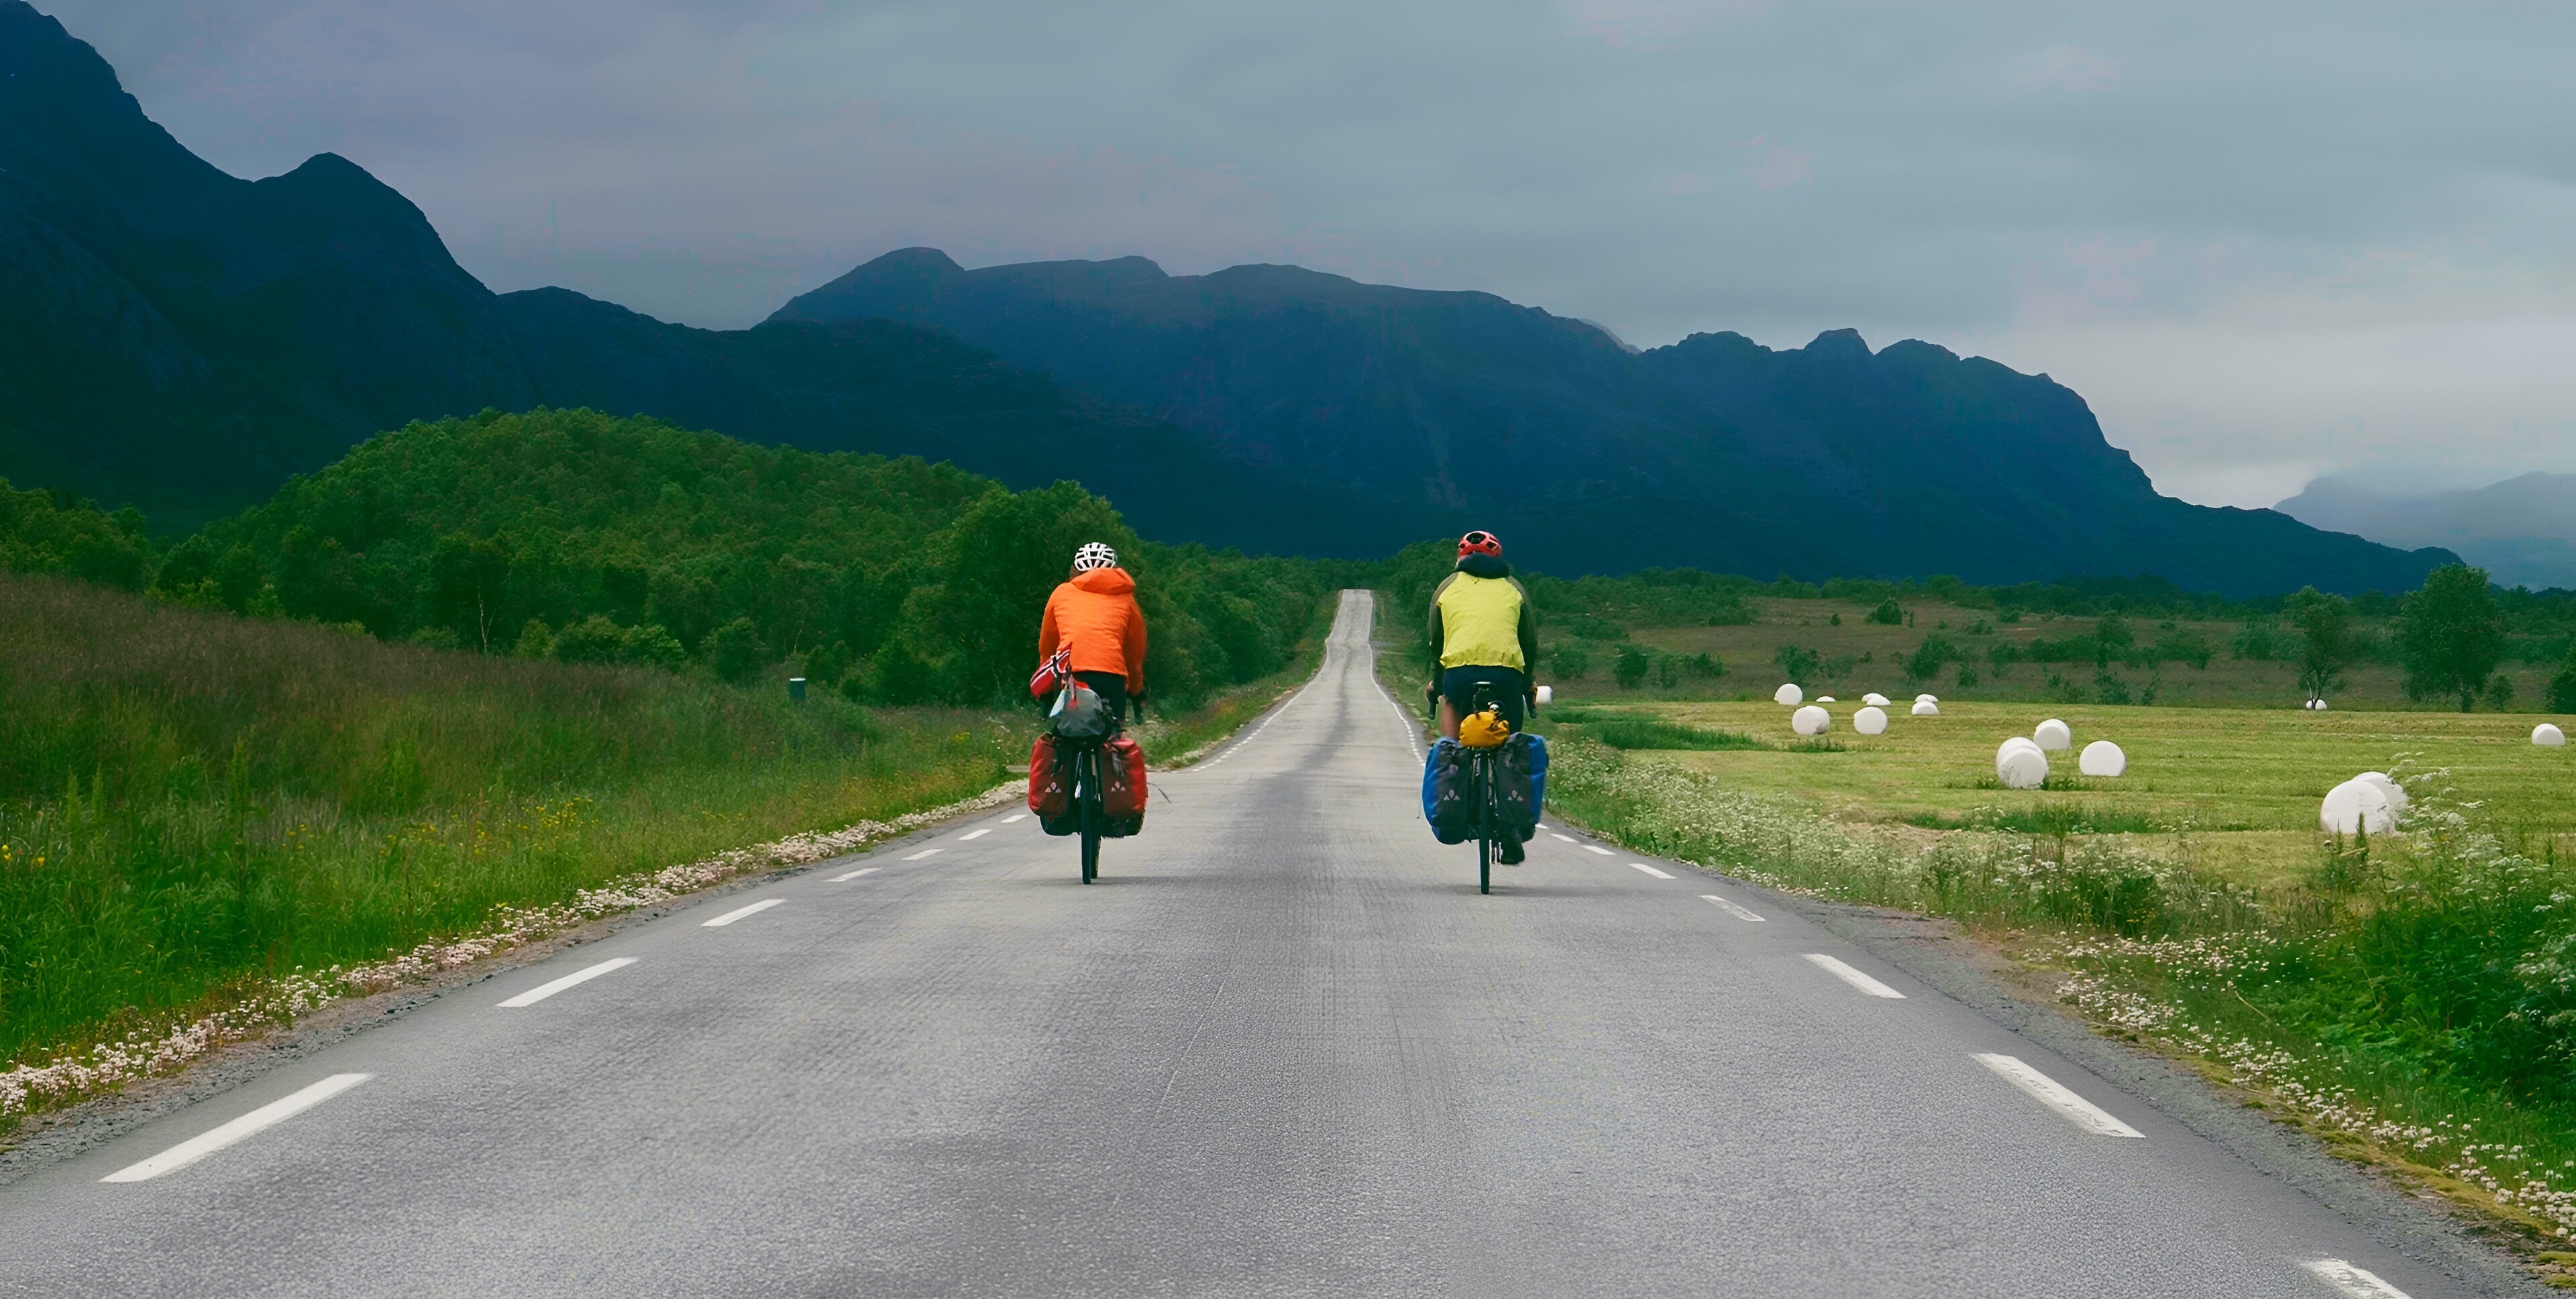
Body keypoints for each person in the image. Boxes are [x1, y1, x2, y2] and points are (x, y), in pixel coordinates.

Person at [1426, 529, 1540, 862]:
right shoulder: (1515, 588)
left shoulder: (1446, 588)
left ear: (1460, 558)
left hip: (1459, 674)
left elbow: (1436, 641)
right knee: (1510, 741)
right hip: (1507, 674)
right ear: (1498, 558)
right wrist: (1527, 680)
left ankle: (1454, 758)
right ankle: (1512, 828)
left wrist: (1437, 681)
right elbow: (1529, 641)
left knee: (1451, 706)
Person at [1038, 541, 1147, 724]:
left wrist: (1047, 686)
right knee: (1112, 736)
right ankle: (1111, 746)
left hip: (1070, 675)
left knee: (1064, 733)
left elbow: (1047, 645)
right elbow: (1134, 652)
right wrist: (1136, 687)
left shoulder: (1061, 593)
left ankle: (1064, 750)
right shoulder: (1126, 599)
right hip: (1112, 675)